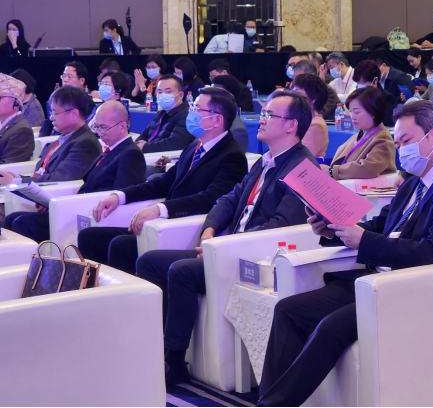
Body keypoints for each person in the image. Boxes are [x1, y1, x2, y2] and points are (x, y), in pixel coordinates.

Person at [257, 100, 433, 407]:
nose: (401, 150)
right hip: (374, 280)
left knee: (330, 327)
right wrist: (333, 229)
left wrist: (364, 242)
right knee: (288, 310)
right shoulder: (413, 183)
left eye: (407, 141)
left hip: (411, 289)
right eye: (398, 143)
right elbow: (380, 226)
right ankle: (269, 400)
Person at [135, 90, 318, 386]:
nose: (261, 119)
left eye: (269, 115)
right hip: (228, 248)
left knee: (181, 271)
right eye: (263, 113)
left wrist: (223, 247)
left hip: (255, 257)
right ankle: (153, 346)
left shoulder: (304, 169)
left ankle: (174, 361)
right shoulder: (266, 160)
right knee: (149, 262)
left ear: (291, 125)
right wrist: (210, 230)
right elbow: (228, 199)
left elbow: (280, 226)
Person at [78, 87, 248, 274]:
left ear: (217, 120)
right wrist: (120, 196)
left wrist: (160, 209)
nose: (191, 113)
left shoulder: (232, 156)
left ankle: (126, 292)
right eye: (192, 107)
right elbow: (163, 183)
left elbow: (210, 199)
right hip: (163, 222)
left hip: (182, 226)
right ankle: (93, 286)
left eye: (197, 109)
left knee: (120, 245)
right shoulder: (195, 146)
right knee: (90, 236)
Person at [3, 101, 146, 243]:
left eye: (104, 127)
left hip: (95, 214)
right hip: (80, 208)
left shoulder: (130, 154)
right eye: (97, 127)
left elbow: (120, 195)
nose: (100, 133)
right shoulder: (111, 150)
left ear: (122, 126)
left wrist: (69, 206)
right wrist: (58, 204)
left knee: (22, 222)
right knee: (11, 218)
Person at [0, 86, 101, 186]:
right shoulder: (64, 138)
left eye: (55, 113)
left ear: (74, 114)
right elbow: (42, 173)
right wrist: (16, 177)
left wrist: (16, 182)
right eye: (51, 112)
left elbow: (58, 180)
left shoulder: (85, 144)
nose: (51, 118)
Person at [321, 87, 396, 179]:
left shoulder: (383, 140)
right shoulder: (360, 134)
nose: (352, 117)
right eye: (350, 111)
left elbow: (368, 168)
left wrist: (332, 171)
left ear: (373, 112)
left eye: (357, 112)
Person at [135, 75, 193, 153]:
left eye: (168, 92)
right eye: (159, 92)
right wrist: (138, 144)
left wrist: (145, 147)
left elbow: (175, 143)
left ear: (180, 95)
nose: (163, 95)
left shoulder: (187, 115)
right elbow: (145, 134)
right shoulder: (161, 113)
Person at [38, 61, 97, 137]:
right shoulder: (60, 99)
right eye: (64, 76)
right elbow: (48, 122)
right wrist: (43, 138)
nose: (65, 80)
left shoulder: (86, 102)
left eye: (69, 76)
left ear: (82, 81)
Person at [290, 74, 329, 157]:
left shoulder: (315, 125)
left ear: (313, 99)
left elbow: (300, 158)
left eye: (297, 93)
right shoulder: (302, 119)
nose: (292, 97)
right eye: (292, 92)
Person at [209, 75, 249, 151]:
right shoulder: (206, 122)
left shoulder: (237, 131)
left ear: (230, 97)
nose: (210, 98)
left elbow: (232, 157)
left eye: (215, 95)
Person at [352, 59, 397, 127]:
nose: (360, 86)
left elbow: (387, 122)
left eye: (363, 82)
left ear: (375, 80)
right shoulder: (356, 97)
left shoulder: (388, 99)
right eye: (358, 83)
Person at [0, 73, 33, 164]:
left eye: (0, 98)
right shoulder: (6, 124)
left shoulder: (22, 130)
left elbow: (9, 165)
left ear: (16, 103)